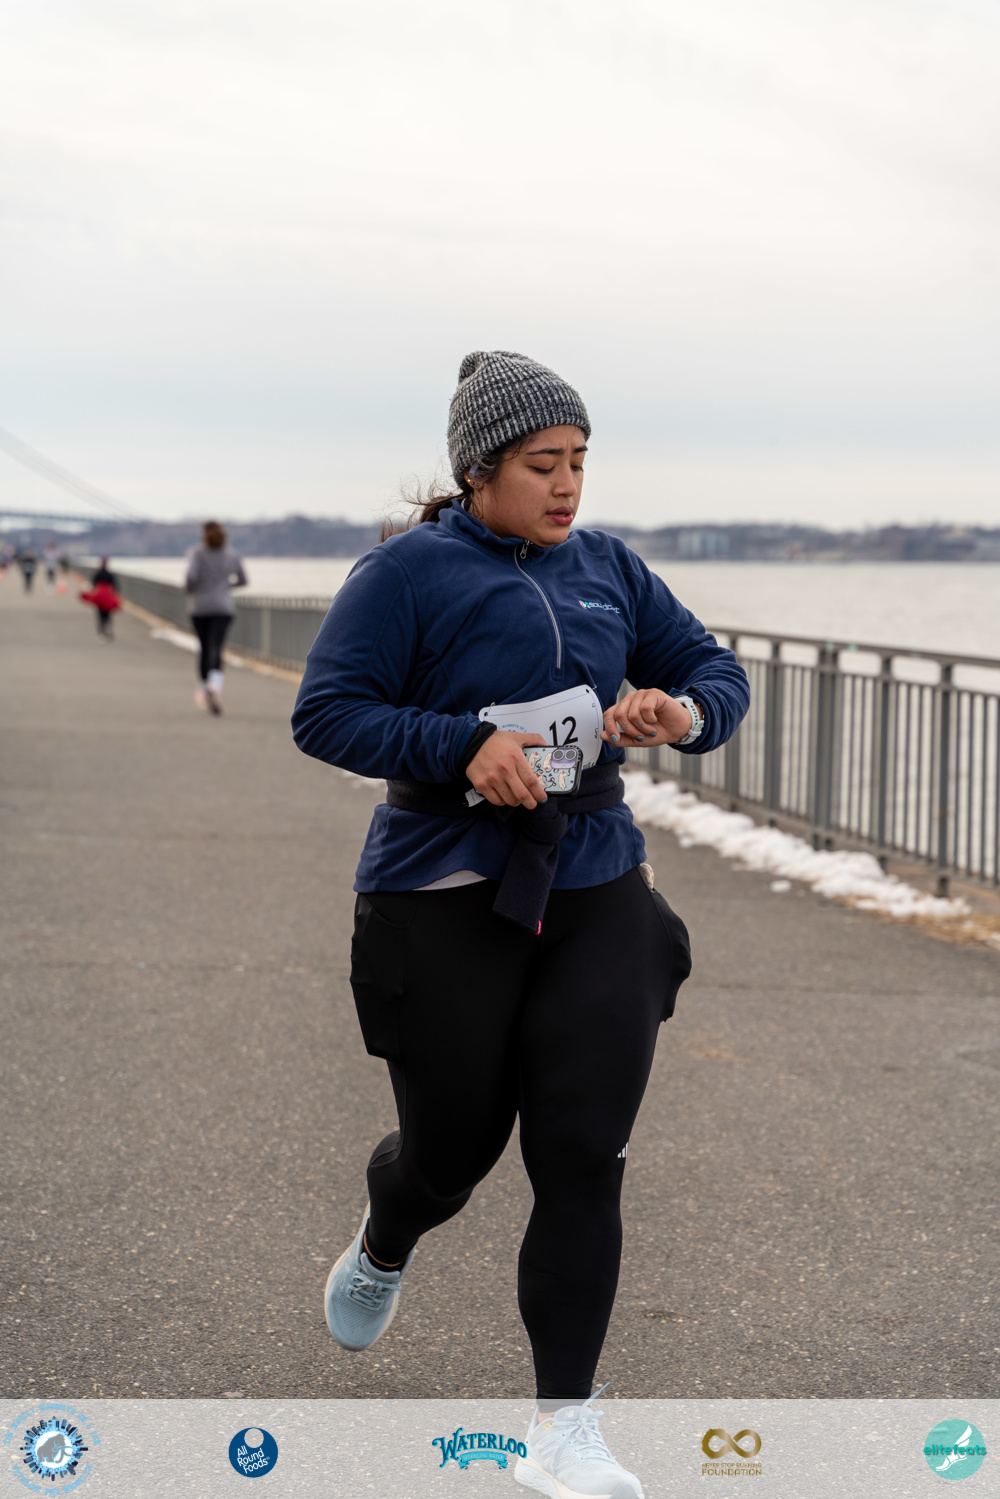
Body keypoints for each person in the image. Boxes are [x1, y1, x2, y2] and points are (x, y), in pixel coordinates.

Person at [292, 351, 750, 1499]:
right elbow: (327, 711)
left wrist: (680, 709)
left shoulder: (608, 566)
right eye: (543, 463)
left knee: (582, 1156)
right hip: (444, 888)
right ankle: (389, 1232)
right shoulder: (405, 572)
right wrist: (461, 743)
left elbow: (713, 667)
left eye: (579, 460)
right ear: (477, 469)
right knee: (449, 1153)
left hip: (594, 877)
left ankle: (564, 1427)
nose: (567, 485)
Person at [184, 522, 247, 715]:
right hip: (223, 607)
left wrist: (192, 590)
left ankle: (205, 688)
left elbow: (191, 578)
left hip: (200, 607)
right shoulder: (232, 555)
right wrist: (225, 588)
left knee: (204, 648)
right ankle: (215, 686)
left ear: (204, 535)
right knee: (216, 647)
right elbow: (243, 580)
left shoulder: (197, 554)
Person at [79, 556, 121, 639]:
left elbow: (93, 584)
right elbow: (115, 586)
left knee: (100, 614)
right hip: (107, 596)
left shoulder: (98, 573)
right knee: (108, 614)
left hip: (99, 597)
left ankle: (101, 631)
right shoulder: (110, 574)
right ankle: (108, 629)